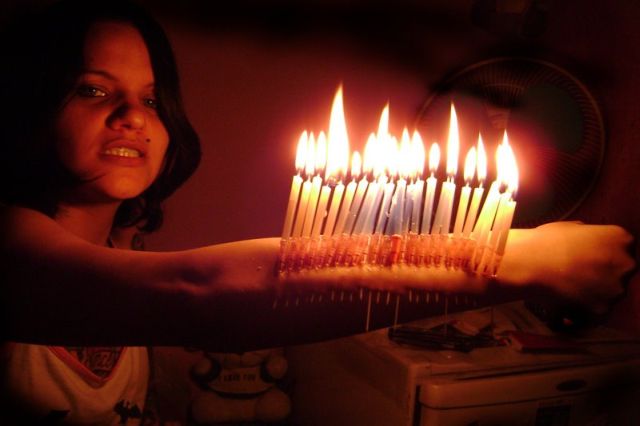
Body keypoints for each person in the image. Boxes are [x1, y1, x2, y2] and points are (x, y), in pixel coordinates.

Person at [0, 0, 634, 423]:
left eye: (151, 98)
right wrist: (519, 259)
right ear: (32, 103)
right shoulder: (9, 244)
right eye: (93, 90)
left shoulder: (123, 250)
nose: (132, 117)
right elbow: (202, 296)